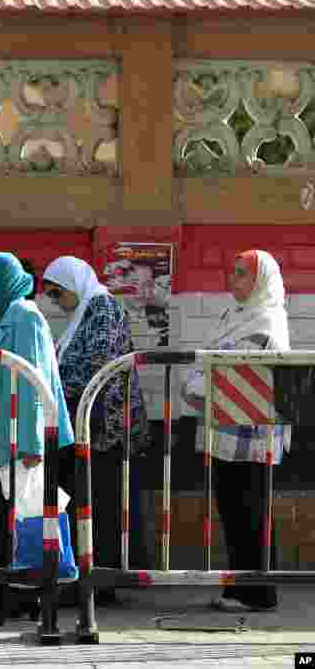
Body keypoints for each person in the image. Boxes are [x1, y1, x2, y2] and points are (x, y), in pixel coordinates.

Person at [0, 252, 74, 628]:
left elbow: (34, 382)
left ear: (3, 280)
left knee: (9, 526)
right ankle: (17, 600)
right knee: (9, 524)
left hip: (20, 443)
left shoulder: (25, 316)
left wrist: (31, 444)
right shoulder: (3, 317)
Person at [182, 250, 290, 612]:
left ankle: (259, 592)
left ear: (260, 281)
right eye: (234, 271)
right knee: (233, 510)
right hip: (225, 431)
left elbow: (233, 375)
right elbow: (207, 362)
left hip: (251, 437)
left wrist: (198, 387)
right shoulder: (235, 316)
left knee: (251, 512)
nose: (234, 279)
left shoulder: (266, 323)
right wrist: (197, 385)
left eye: (243, 274)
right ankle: (240, 588)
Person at [42, 256, 148, 606]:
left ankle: (99, 581)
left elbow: (97, 363)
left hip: (105, 427)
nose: (56, 302)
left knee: (99, 502)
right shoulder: (84, 312)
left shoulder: (101, 307)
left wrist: (53, 387)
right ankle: (92, 578)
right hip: (89, 424)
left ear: (74, 283)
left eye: (58, 293)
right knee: (93, 501)